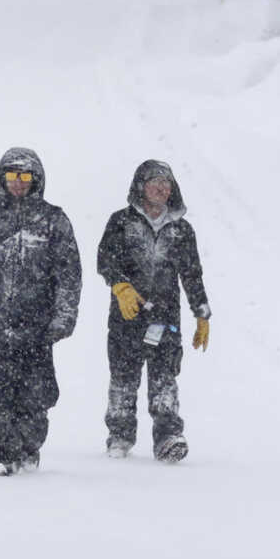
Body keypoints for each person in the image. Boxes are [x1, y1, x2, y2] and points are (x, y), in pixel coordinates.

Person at [0, 146, 82, 474]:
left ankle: (28, 451)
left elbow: (69, 274)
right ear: (2, 179)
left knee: (35, 395)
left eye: (25, 176)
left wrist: (63, 317)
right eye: (12, 176)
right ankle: (2, 454)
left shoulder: (54, 220)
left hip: (37, 327)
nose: (19, 182)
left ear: (36, 179)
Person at [95, 159, 211, 462]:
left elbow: (192, 274)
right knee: (123, 379)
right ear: (140, 187)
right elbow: (105, 260)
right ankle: (119, 436)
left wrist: (201, 313)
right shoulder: (121, 222)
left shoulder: (181, 230)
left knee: (164, 380)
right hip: (127, 317)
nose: (161, 187)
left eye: (166, 182)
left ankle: (168, 436)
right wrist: (121, 286)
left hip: (165, 318)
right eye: (154, 181)